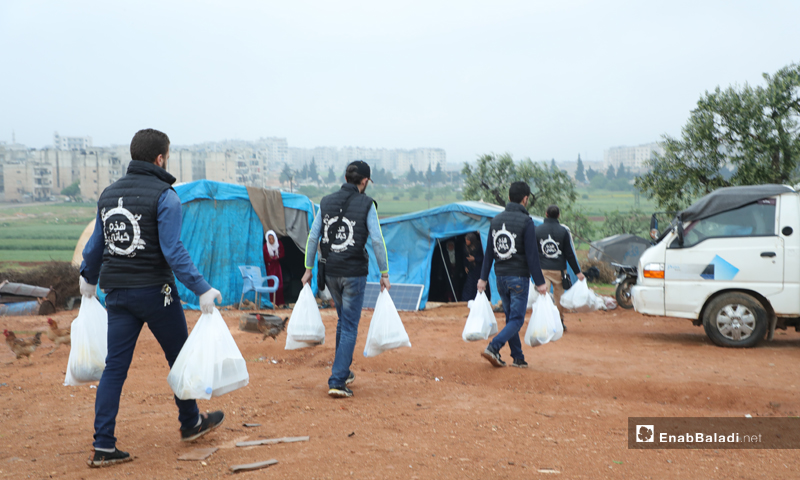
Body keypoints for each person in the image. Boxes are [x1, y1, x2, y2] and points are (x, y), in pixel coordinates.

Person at [79, 129, 225, 468]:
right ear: (160, 158)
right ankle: (190, 423)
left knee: (114, 368)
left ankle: (103, 445)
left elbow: (98, 245)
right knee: (179, 358)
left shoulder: (108, 194)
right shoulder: (166, 196)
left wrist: (88, 277)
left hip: (115, 294)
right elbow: (172, 250)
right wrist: (201, 287)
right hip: (155, 293)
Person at [301, 161, 390, 398]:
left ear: (346, 177)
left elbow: (313, 238)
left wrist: (308, 268)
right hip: (353, 274)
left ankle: (344, 370)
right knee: (350, 325)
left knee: (343, 320)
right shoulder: (367, 204)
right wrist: (384, 273)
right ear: (364, 182)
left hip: (330, 272)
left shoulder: (326, 201)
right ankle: (338, 380)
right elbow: (377, 240)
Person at [477, 181, 547, 368]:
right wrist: (540, 282)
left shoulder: (496, 221)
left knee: (511, 318)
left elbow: (489, 253)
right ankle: (494, 347)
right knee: (516, 319)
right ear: (525, 199)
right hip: (518, 279)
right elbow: (532, 256)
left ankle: (518, 357)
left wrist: (483, 278)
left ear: (509, 197)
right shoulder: (527, 222)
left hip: (500, 278)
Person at [535, 205, 585, 332]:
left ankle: (543, 321)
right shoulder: (563, 231)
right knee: (559, 297)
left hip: (543, 269)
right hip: (559, 270)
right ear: (558, 215)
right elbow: (569, 254)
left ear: (546, 214)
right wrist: (578, 272)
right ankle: (560, 322)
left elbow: (533, 252)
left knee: (543, 295)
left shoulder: (538, 230)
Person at [461, 233, 489, 302]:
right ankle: (467, 301)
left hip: (479, 269)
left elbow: (484, 257)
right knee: (469, 286)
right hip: (470, 269)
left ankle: (479, 300)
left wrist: (475, 259)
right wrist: (466, 266)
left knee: (478, 285)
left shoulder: (479, 246)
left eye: (468, 240)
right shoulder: (465, 247)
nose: (466, 241)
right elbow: (464, 257)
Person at [262, 230, 285, 307]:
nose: (271, 241)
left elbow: (282, 253)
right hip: (269, 268)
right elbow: (265, 258)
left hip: (277, 267)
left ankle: (280, 303)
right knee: (271, 284)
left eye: (272, 239)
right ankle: (272, 303)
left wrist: (277, 257)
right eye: (269, 239)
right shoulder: (265, 247)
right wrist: (271, 258)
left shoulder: (279, 244)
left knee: (279, 284)